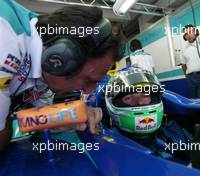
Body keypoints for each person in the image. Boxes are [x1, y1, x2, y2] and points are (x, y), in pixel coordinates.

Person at [0, 1, 121, 152]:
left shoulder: (46, 74)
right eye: (88, 80)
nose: (88, 91)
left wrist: (68, 116)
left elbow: (38, 122)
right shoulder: (5, 35)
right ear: (60, 57)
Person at [102, 67, 192, 164]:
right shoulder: (107, 146)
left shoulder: (172, 132)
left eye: (145, 95)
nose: (140, 102)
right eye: (128, 98)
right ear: (112, 103)